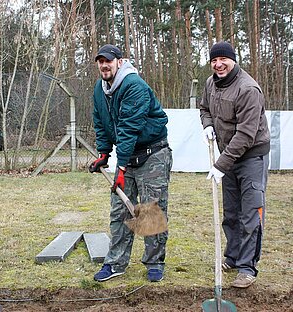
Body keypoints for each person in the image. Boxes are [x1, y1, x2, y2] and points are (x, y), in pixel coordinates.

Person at [88, 44, 172, 282]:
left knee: (150, 209)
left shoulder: (133, 85)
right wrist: (104, 153)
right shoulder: (100, 88)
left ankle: (154, 262)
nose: (104, 65)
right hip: (128, 155)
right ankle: (116, 263)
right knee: (119, 210)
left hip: (152, 154)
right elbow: (101, 122)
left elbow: (129, 128)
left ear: (120, 61)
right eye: (100, 61)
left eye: (109, 61)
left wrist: (121, 167)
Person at [200, 41, 270, 288]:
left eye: (223, 60)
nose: (218, 64)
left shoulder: (248, 89)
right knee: (231, 213)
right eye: (214, 60)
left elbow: (246, 135)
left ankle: (247, 268)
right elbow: (204, 108)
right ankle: (233, 256)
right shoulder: (210, 83)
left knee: (250, 214)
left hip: (252, 157)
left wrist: (220, 164)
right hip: (228, 156)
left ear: (233, 60)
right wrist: (207, 124)